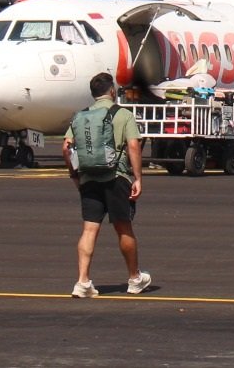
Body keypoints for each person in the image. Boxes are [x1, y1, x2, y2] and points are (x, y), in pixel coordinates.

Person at [62, 72, 150, 298]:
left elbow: (66, 148)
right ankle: (134, 279)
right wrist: (138, 178)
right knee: (123, 228)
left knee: (89, 229)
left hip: (89, 178)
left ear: (93, 93)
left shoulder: (81, 116)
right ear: (112, 91)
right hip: (116, 177)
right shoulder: (123, 114)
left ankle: (82, 282)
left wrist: (75, 176)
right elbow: (133, 146)